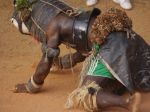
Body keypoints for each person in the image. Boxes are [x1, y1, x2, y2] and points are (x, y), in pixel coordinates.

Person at [65, 8, 144, 112]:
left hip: (111, 64)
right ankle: (113, 91)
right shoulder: (130, 35)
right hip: (125, 75)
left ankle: (126, 102)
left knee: (84, 92)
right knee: (110, 85)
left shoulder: (101, 40)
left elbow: (82, 54)